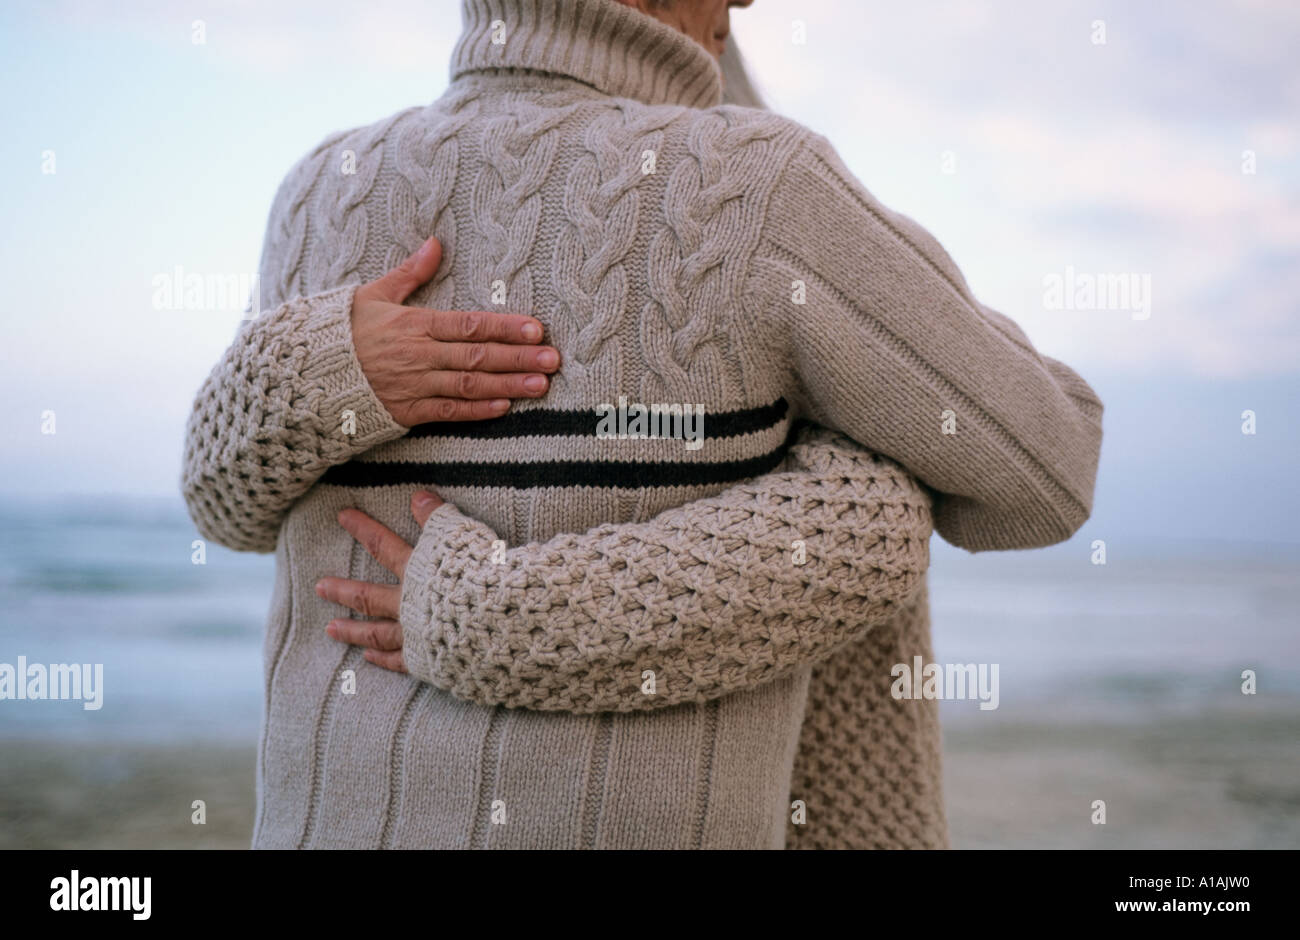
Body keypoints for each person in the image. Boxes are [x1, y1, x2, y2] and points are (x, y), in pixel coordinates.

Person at [182, 0, 1102, 849]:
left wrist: (314, 375)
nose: (742, 6)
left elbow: (227, 514)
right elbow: (1051, 464)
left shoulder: (319, 193)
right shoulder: (763, 188)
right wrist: (875, 486)